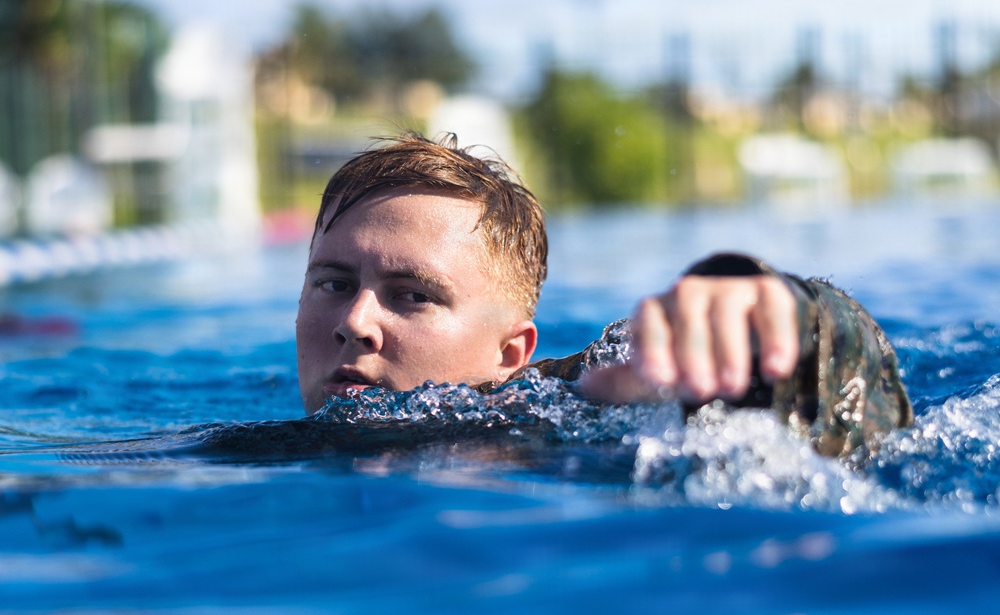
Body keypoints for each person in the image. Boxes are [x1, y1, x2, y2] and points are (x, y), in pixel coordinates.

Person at [296, 134, 911, 458]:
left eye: (411, 296)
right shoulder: (234, 449)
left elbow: (846, 393)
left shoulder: (568, 408)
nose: (355, 322)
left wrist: (786, 317)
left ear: (511, 355)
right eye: (334, 283)